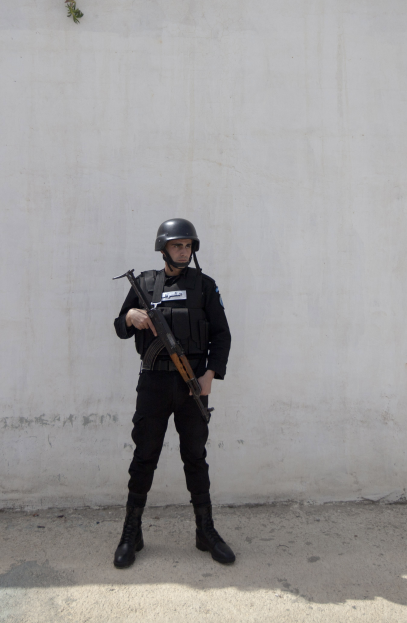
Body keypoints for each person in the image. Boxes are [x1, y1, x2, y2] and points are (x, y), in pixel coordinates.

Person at [111, 218, 235, 568]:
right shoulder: (145, 284)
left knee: (195, 456)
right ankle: (131, 533)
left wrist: (212, 373)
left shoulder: (205, 286)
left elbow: (222, 335)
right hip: (153, 384)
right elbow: (120, 327)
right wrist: (132, 316)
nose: (183, 251)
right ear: (163, 248)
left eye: (188, 245)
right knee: (144, 456)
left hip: (193, 383)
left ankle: (205, 530)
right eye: (177, 245)